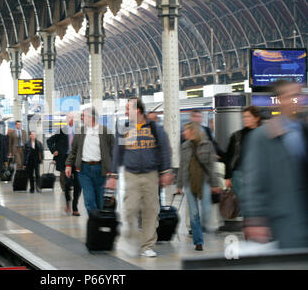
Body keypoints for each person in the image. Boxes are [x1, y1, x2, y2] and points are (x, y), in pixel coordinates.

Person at [241, 80, 308, 249]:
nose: (298, 100)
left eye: (299, 95)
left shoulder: (303, 130)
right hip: (282, 218)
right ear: (280, 99)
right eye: (292, 96)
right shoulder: (263, 136)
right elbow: (253, 179)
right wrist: (255, 218)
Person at [107, 97, 173, 258]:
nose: (125, 112)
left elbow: (164, 150)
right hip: (131, 174)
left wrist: (166, 171)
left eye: (127, 109)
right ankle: (130, 236)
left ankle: (147, 246)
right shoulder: (124, 129)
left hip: (151, 175)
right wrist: (113, 176)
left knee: (151, 211)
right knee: (130, 209)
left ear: (137, 110)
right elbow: (117, 153)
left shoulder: (155, 129)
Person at [177, 122, 222, 251]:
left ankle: (202, 228)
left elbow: (211, 166)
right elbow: (182, 167)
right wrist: (179, 185)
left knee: (206, 210)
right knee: (194, 213)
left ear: (193, 131)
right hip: (189, 182)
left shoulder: (207, 145)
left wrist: (215, 183)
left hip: (204, 181)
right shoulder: (184, 146)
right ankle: (198, 241)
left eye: (186, 130)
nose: (183, 133)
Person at [65, 107, 115, 215]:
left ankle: (98, 222)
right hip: (84, 170)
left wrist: (113, 170)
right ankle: (94, 222)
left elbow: (114, 149)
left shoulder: (105, 131)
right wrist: (68, 165)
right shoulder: (81, 131)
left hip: (100, 169)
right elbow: (74, 150)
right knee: (89, 199)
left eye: (84, 116)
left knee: (99, 200)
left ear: (92, 117)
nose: (82, 118)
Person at [224, 106, 262, 206]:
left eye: (248, 116)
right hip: (239, 175)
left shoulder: (265, 135)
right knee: (245, 205)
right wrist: (227, 177)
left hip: (259, 174)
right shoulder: (237, 136)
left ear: (256, 118)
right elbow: (228, 156)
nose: (245, 119)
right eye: (244, 117)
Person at [47, 113, 82, 216]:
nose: (71, 120)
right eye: (69, 118)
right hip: (65, 159)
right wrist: (54, 151)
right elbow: (49, 141)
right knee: (67, 183)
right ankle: (68, 203)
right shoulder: (62, 131)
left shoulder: (80, 131)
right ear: (67, 120)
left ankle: (75, 207)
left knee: (78, 185)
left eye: (72, 118)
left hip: (77, 159)